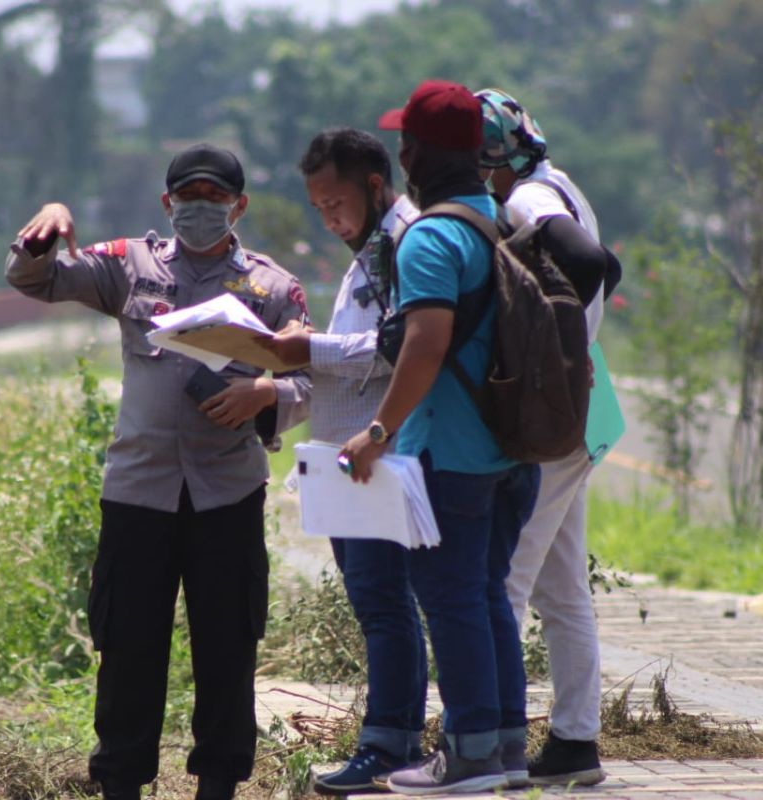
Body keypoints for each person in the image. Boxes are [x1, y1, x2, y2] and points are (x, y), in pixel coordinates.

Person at [5, 143, 311, 800]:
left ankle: (219, 782)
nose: (201, 210)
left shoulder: (273, 287)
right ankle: (120, 781)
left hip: (226, 491)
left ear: (240, 206)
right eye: (189, 199)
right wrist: (48, 222)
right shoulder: (129, 265)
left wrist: (267, 395)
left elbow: (312, 381)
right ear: (167, 204)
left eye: (215, 199)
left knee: (227, 647)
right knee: (128, 648)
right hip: (139, 490)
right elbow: (35, 281)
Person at [339, 80, 541, 795]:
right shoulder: (503, 218)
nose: (402, 154)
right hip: (512, 451)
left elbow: (424, 345)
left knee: (451, 599)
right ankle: (507, 749)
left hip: (450, 453)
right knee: (486, 596)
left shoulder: (434, 235)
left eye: (406, 142)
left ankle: (468, 755)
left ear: (416, 152)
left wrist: (376, 432)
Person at [261, 128, 427, 794]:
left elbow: (401, 350)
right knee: (377, 604)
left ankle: (389, 746)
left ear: (375, 186)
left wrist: (312, 351)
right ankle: (393, 741)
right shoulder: (374, 248)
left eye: (336, 202)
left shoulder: (403, 244)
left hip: (372, 451)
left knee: (386, 605)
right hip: (346, 457)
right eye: (318, 206)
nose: (328, 218)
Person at [477, 87, 616, 787]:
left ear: (491, 161)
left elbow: (590, 262)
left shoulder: (529, 199)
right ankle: (575, 742)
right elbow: (600, 267)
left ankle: (492, 739)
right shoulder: (555, 182)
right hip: (589, 406)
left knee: (502, 579)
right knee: (561, 591)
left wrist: (554, 343)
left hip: (559, 409)